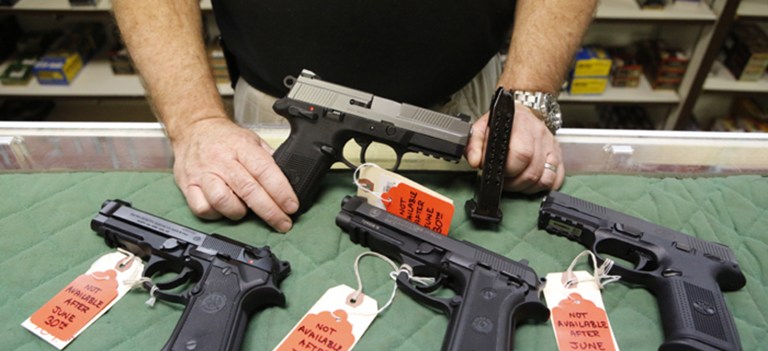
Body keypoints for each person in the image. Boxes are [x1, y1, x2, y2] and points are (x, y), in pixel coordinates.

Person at [112, 0, 597, 233]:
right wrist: (196, 120)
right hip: (275, 117)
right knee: (275, 210)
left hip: (475, 112)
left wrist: (528, 98)